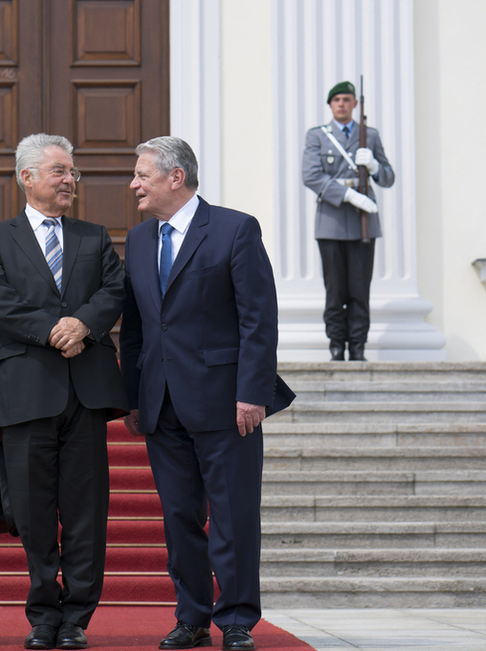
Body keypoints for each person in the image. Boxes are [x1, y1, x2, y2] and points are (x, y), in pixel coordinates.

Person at [120, 136, 295, 651]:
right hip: (161, 403)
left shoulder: (234, 229)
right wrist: (133, 396)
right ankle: (191, 617)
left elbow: (258, 319)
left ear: (176, 177)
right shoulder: (137, 240)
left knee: (233, 515)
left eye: (141, 175)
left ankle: (236, 619)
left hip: (226, 402)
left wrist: (253, 392)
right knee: (179, 517)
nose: (133, 184)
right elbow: (135, 328)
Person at [0, 133, 128, 651]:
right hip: (27, 392)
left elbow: (114, 290)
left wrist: (81, 324)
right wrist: (53, 330)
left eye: (73, 173)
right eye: (60, 171)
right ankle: (43, 614)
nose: (70, 181)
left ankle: (77, 617)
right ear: (27, 177)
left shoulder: (94, 235)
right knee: (34, 512)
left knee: (87, 511)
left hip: (85, 392)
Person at [302, 80, 395, 361]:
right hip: (331, 221)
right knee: (335, 289)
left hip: (363, 223)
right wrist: (348, 196)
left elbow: (388, 178)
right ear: (330, 105)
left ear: (355, 104)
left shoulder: (371, 135)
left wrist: (376, 166)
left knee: (359, 287)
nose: (341, 104)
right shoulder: (318, 136)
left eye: (346, 99)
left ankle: (357, 346)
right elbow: (311, 175)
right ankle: (335, 346)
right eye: (336, 100)